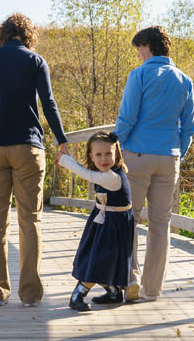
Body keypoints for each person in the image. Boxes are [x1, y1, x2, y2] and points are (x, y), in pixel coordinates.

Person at [0, 13, 69, 307]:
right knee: (30, 221)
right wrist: (61, 139)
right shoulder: (35, 60)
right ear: (28, 36)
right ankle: (30, 295)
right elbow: (48, 103)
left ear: (3, 34)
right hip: (28, 148)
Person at [114, 26, 194, 302]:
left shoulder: (139, 75)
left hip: (137, 156)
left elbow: (127, 117)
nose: (138, 54)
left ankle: (131, 279)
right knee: (161, 224)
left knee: (130, 219)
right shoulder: (184, 80)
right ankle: (152, 290)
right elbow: (189, 126)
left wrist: (115, 147)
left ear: (148, 46)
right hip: (168, 158)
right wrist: (178, 154)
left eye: (139, 48)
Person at [55, 132, 135, 312]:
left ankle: (80, 295)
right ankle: (111, 291)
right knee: (99, 257)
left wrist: (65, 160)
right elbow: (91, 173)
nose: (103, 159)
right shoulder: (108, 172)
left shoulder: (112, 177)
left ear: (116, 153)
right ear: (91, 156)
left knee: (103, 258)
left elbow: (86, 174)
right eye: (98, 155)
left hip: (114, 223)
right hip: (105, 220)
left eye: (108, 153)